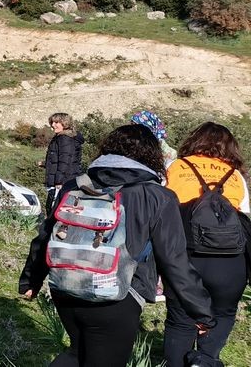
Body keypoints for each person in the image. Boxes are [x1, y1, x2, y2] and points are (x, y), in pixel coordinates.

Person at [19, 124, 216, 366]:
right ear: (150, 155)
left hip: (65, 287)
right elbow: (174, 260)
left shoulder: (76, 185)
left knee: (77, 353)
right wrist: (200, 312)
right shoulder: (157, 196)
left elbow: (46, 234)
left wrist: (31, 279)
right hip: (117, 296)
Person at [161, 122, 249, 367]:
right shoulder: (235, 174)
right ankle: (206, 361)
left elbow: (160, 209)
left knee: (181, 320)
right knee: (223, 314)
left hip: (185, 256)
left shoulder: (176, 167)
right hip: (231, 261)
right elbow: (244, 216)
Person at [41, 112, 84, 214]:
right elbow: (61, 158)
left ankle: (53, 229)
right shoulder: (61, 138)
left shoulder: (64, 139)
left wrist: (59, 181)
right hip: (63, 179)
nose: (53, 125)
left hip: (62, 181)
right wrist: (45, 163)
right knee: (56, 209)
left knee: (55, 210)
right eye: (52, 122)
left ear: (65, 123)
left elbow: (65, 161)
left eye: (56, 122)